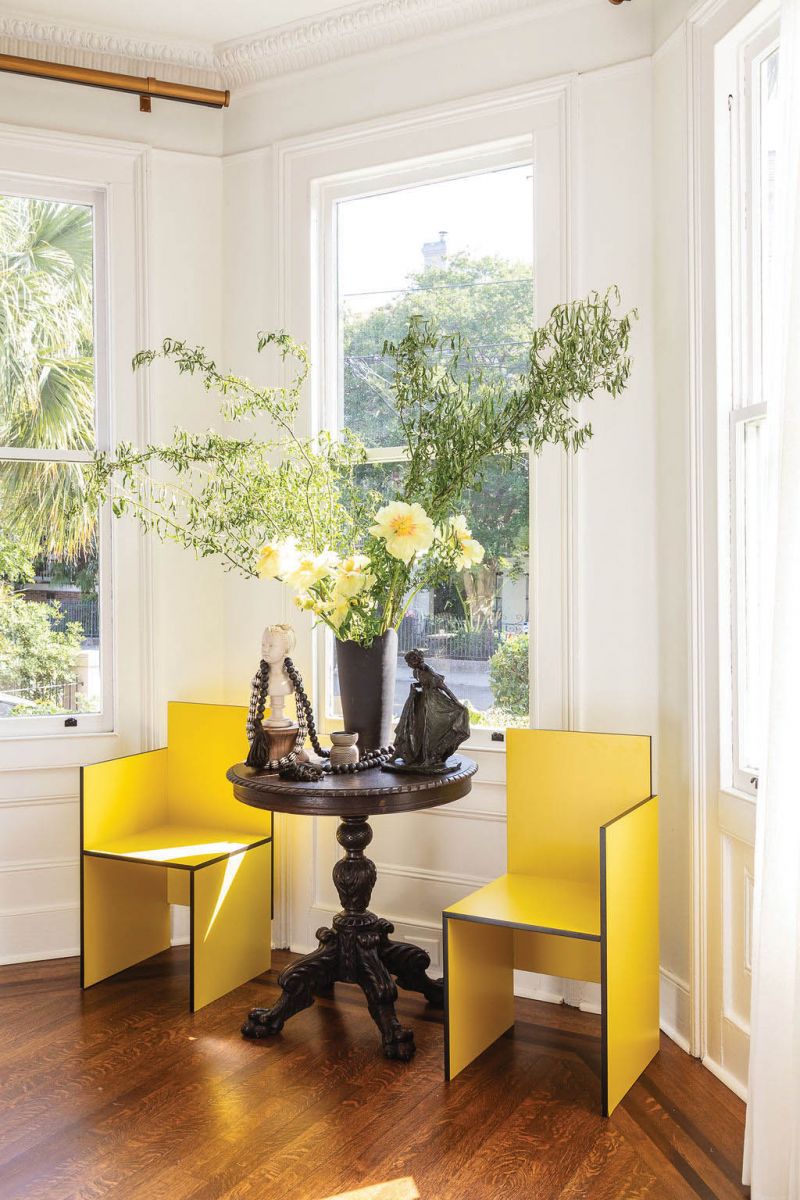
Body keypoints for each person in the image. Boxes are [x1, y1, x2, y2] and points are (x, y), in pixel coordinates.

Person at [388, 648, 470, 774]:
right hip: (421, 702)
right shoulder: (416, 671)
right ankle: (405, 753)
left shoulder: (431, 674)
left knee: (429, 731)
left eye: (409, 662)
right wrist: (415, 686)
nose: (408, 665)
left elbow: (445, 689)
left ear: (416, 660)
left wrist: (457, 703)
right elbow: (421, 684)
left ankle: (430, 757)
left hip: (435, 705)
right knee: (411, 726)